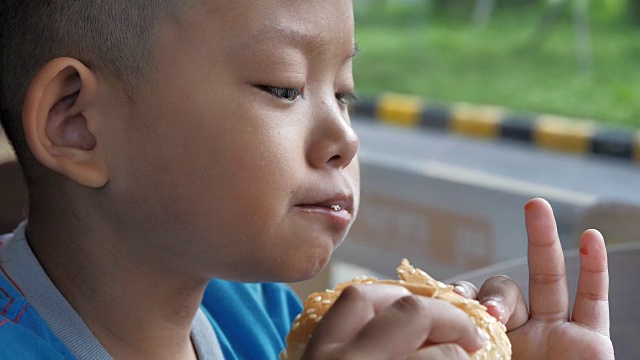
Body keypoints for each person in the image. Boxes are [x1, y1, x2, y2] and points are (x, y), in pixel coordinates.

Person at [0, 1, 614, 359]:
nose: (346, 140)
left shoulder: (259, 315)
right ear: (76, 122)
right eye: (284, 87)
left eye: (344, 95)